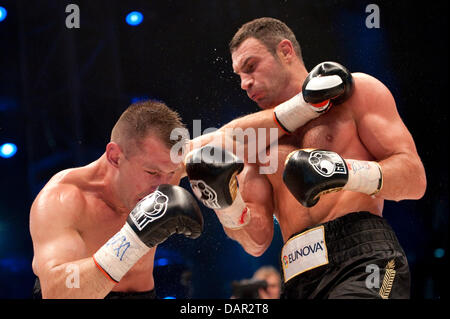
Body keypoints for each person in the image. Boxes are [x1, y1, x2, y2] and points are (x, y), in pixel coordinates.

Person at [186, 17, 426, 299]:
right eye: (239, 76)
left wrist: (342, 172)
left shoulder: (356, 92)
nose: (244, 83)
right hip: (297, 276)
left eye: (250, 67)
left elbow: (414, 179)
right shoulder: (255, 143)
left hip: (362, 259)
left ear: (286, 51)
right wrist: (225, 204)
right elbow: (257, 241)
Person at [29, 100, 204, 299]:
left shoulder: (164, 167)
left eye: (172, 172)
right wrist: (133, 240)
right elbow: (56, 292)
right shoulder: (63, 199)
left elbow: (234, 139)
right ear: (114, 156)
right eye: (151, 172)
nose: (162, 189)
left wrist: (231, 209)